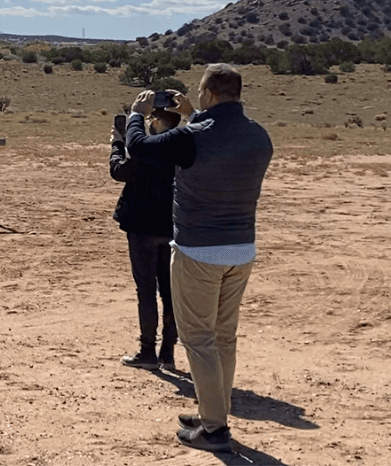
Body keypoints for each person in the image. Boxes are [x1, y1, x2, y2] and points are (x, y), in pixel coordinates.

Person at [126, 64, 273, 453]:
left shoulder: (192, 136)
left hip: (198, 250)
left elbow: (141, 148)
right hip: (242, 249)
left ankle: (214, 429)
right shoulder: (259, 136)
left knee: (200, 340)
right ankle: (215, 412)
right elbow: (217, 146)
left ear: (207, 92)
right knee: (224, 337)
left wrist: (136, 116)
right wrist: (193, 114)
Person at [109, 104, 182, 371]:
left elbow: (119, 172)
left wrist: (117, 146)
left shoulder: (146, 148)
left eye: (152, 118)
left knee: (147, 291)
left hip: (142, 227)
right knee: (170, 292)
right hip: (171, 227)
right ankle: (168, 352)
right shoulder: (181, 148)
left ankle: (147, 350)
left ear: (160, 121)